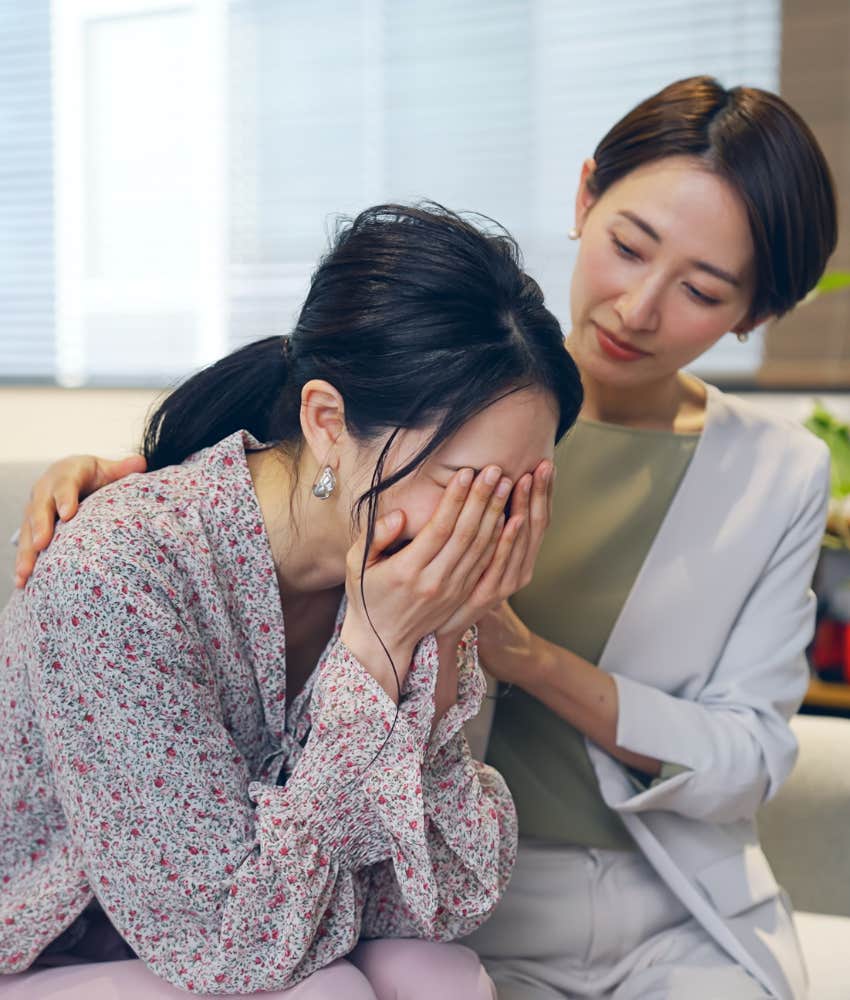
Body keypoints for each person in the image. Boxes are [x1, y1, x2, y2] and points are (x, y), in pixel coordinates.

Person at [11, 76, 838, 1000]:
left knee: (427, 971)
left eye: (700, 287)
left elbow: (443, 890)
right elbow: (254, 478)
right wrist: (134, 485)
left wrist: (468, 645)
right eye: (629, 246)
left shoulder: (434, 545)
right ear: (584, 199)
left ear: (754, 314)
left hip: (634, 892)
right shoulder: (420, 404)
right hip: (119, 925)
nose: (640, 308)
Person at [0, 203, 584, 999]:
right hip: (50, 943)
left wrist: (441, 640)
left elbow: (442, 896)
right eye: (465, 486)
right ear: (326, 421)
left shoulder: (400, 567)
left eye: (517, 497)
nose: (481, 532)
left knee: (444, 977)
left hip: (244, 928)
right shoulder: (119, 572)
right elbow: (225, 942)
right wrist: (374, 661)